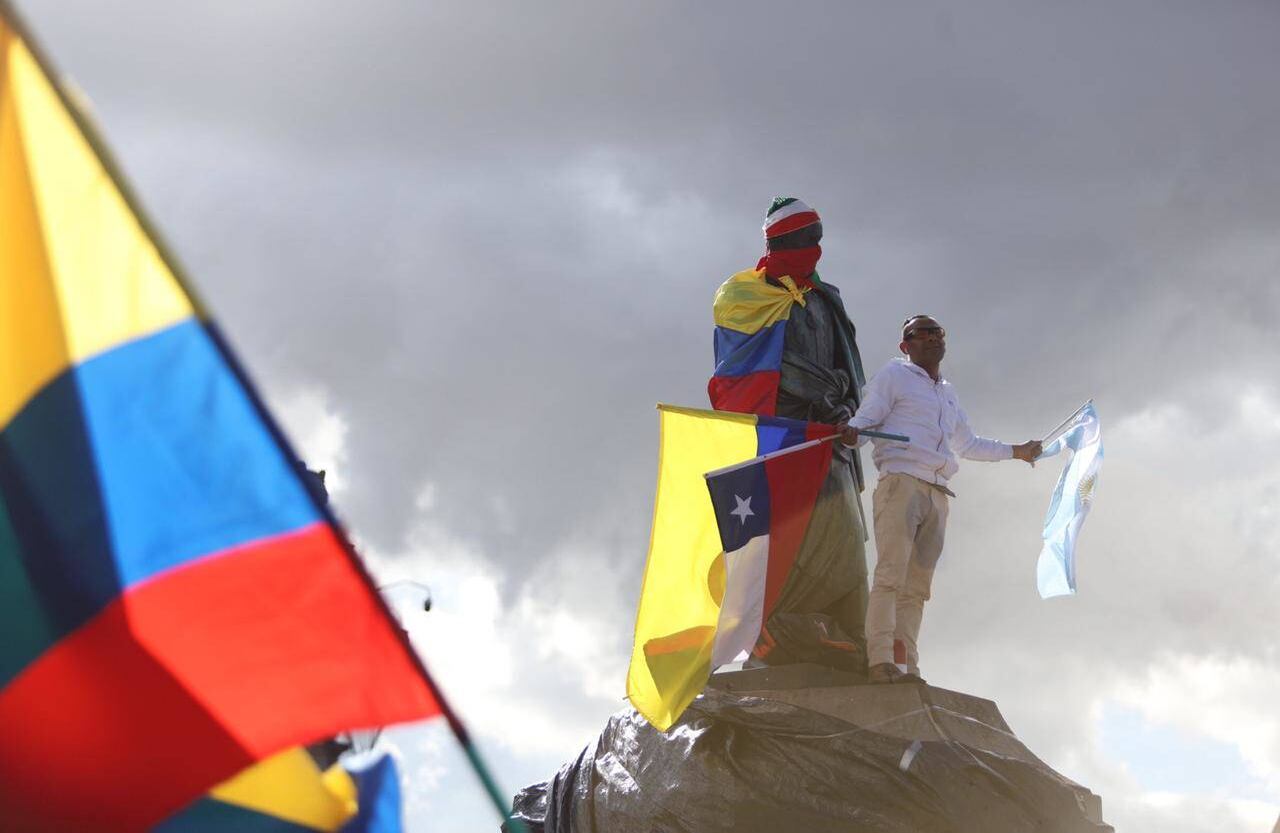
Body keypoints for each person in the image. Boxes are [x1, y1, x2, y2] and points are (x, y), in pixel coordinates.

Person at [710, 197, 871, 667]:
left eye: (819, 240)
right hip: (781, 438)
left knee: (845, 534)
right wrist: (815, 390)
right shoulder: (740, 296)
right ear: (780, 242)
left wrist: (845, 403)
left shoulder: (827, 298)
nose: (815, 251)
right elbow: (742, 372)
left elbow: (848, 364)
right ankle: (784, 634)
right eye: (805, 241)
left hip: (830, 436)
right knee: (787, 534)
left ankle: (844, 632)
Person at [840, 315, 1041, 684]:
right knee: (890, 577)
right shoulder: (893, 375)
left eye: (938, 332)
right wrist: (853, 434)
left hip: (937, 493)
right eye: (923, 333)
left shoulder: (947, 391)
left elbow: (968, 444)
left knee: (916, 588)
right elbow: (865, 421)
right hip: (901, 483)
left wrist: (1018, 451)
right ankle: (880, 660)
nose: (933, 338)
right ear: (906, 346)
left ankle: (905, 666)